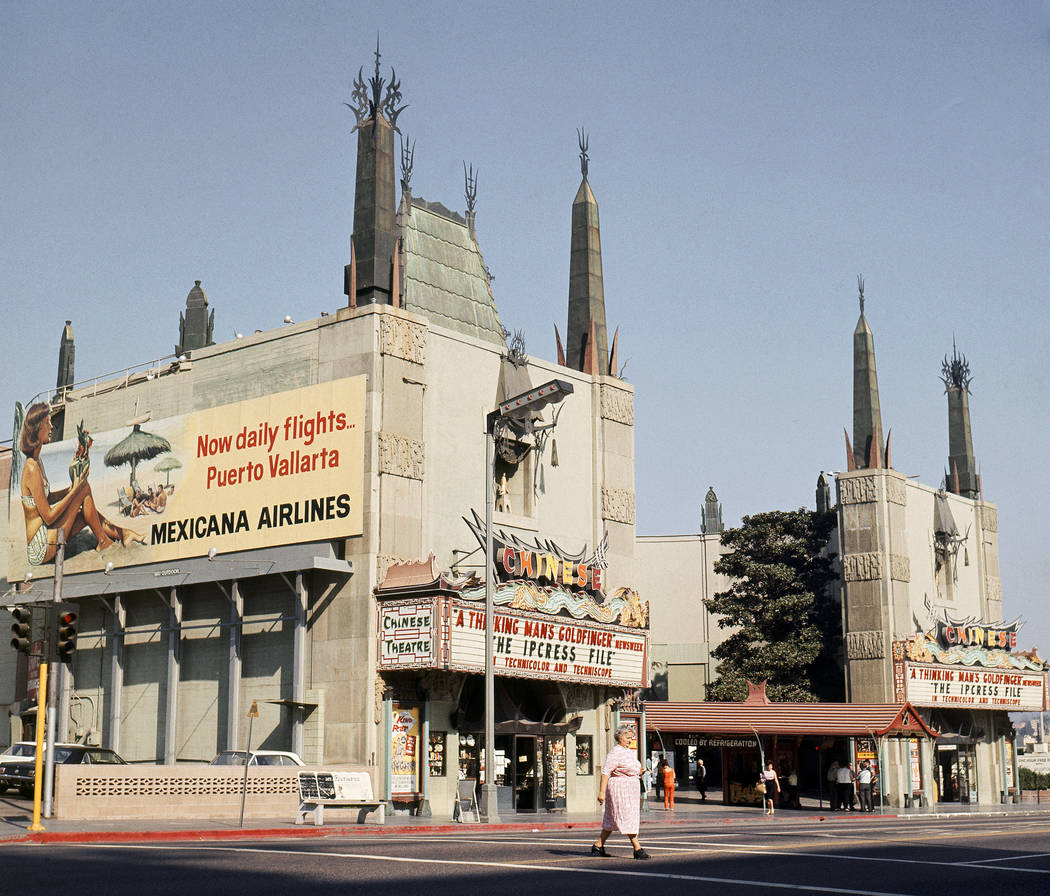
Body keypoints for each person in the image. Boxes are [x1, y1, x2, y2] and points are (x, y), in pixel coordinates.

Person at [18, 403, 143, 566]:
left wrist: (69, 489)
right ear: (37, 427)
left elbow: (46, 498)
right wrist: (75, 490)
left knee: (85, 508)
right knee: (83, 489)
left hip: (49, 534)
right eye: (47, 422)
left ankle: (120, 534)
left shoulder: (37, 461)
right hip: (40, 547)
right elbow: (48, 516)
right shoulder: (31, 467)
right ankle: (106, 540)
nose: (52, 427)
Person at [591, 724, 650, 860]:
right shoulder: (615, 752)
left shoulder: (628, 752)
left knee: (613, 818)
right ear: (620, 737)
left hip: (631, 790)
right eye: (627, 738)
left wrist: (638, 772)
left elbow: (628, 769)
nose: (630, 740)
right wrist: (601, 792)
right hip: (620, 790)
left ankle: (598, 845)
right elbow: (606, 772)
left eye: (631, 738)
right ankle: (637, 848)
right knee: (627, 816)